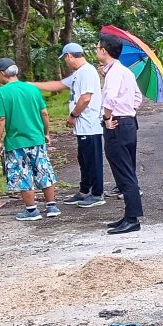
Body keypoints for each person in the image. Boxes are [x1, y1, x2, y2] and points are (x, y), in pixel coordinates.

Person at [31, 43, 105, 208]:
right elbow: (57, 85)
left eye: (65, 58)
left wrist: (73, 116)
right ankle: (84, 190)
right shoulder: (78, 73)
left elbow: (86, 98)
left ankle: (97, 193)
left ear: (70, 56)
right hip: (82, 126)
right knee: (84, 160)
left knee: (93, 160)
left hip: (89, 125)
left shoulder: (87, 71)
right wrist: (28, 85)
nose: (65, 62)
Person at [0, 57, 61, 221]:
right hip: (37, 138)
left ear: (2, 73)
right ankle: (52, 206)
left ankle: (32, 211)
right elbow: (44, 113)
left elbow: (0, 119)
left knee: (23, 174)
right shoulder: (32, 89)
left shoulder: (2, 92)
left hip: (16, 142)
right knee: (43, 170)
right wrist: (46, 133)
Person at [97, 33, 144, 234]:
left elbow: (109, 99)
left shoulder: (115, 73)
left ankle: (132, 218)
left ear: (104, 50)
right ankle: (129, 215)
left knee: (124, 173)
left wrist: (108, 118)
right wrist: (128, 112)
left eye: (97, 47)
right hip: (128, 123)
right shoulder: (124, 72)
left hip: (116, 123)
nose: (96, 50)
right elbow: (137, 97)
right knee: (127, 169)